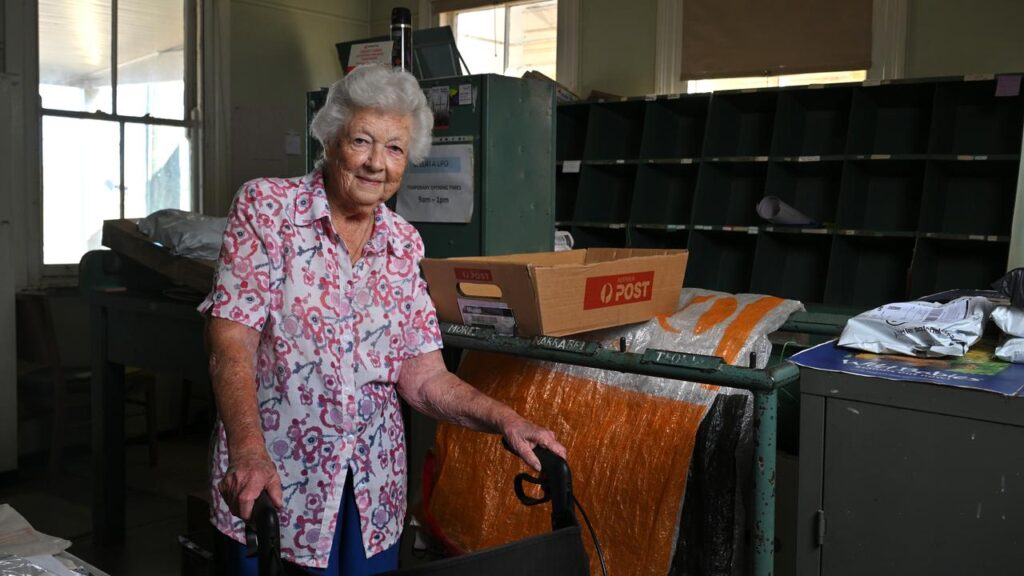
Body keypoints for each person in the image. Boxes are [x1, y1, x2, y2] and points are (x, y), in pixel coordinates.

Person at [200, 64, 565, 575]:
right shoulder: (267, 210)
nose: (376, 163)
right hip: (276, 482)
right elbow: (231, 343)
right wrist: (248, 453)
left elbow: (424, 377)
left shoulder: (403, 243)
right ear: (330, 142)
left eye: (394, 149)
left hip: (372, 491)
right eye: (362, 141)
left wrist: (508, 420)